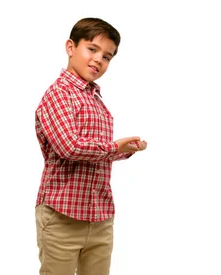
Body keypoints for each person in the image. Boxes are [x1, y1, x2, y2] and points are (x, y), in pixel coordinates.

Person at [34, 17, 148, 275]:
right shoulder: (59, 93)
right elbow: (69, 148)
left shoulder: (95, 98)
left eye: (107, 57)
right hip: (62, 215)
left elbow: (95, 151)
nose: (99, 60)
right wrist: (113, 148)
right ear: (70, 47)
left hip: (99, 215)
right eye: (92, 49)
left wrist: (125, 150)